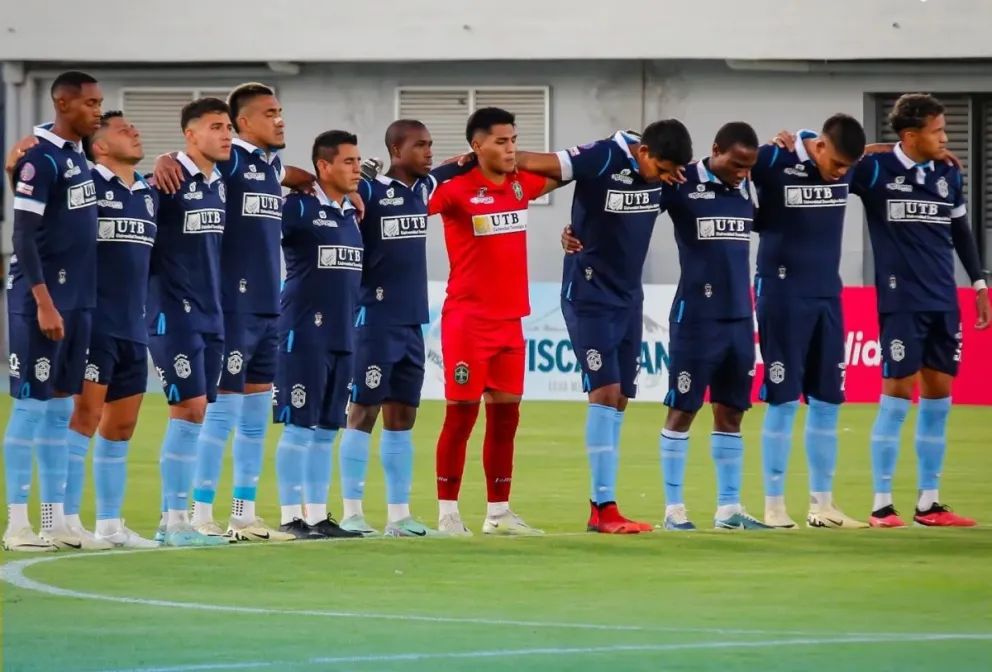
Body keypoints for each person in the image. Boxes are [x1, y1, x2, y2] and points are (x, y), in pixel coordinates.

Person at [510, 122, 692, 533]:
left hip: (629, 297)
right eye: (661, 170)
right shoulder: (601, 155)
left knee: (622, 397)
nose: (665, 180)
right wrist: (481, 155)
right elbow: (533, 162)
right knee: (605, 391)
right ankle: (602, 508)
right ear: (643, 151)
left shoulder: (667, 174)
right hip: (587, 292)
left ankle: (605, 506)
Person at [152, 83, 314, 543]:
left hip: (268, 305)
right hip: (230, 305)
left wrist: (312, 181)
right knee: (219, 416)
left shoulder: (270, 163)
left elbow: (290, 175)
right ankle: (200, 514)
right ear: (244, 124)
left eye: (281, 111)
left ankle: (242, 515)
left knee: (254, 420)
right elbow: (189, 158)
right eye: (270, 113)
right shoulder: (233, 158)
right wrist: (165, 156)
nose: (280, 119)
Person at [848, 94, 988, 527]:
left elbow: (961, 231)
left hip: (944, 300)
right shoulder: (875, 171)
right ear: (910, 136)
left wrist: (979, 282)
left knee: (939, 398)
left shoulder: (947, 172)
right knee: (896, 396)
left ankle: (930, 502)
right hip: (901, 301)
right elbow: (833, 160)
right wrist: (872, 148)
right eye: (938, 131)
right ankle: (881, 504)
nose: (946, 139)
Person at [428, 107, 559, 536]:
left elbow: (567, 173)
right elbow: (412, 205)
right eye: (501, 141)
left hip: (510, 323)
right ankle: (448, 513)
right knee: (461, 417)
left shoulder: (520, 185)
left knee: (506, 421)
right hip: (467, 321)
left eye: (513, 139)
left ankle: (498, 513)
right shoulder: (456, 191)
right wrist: (447, 167)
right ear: (476, 145)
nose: (510, 148)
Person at [337, 120, 462, 537]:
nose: (428, 152)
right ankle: (352, 511)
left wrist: (467, 158)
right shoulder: (369, 191)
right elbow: (333, 189)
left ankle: (398, 515)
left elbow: (455, 166)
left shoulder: (426, 188)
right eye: (420, 146)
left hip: (412, 322)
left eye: (430, 145)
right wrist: (359, 179)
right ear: (395, 149)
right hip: (373, 319)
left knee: (403, 416)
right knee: (363, 413)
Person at [749, 114, 869, 530]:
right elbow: (721, 164)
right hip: (781, 295)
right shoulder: (772, 160)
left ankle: (823, 506)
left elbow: (875, 157)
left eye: (846, 169)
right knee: (782, 400)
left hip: (827, 296)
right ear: (819, 146)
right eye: (836, 164)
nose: (840, 174)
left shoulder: (843, 166)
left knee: (828, 401)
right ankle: (774, 506)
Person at [2, 71, 102, 552]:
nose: (97, 111)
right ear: (63, 103)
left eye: (99, 103)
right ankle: (17, 524)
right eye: (89, 103)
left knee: (60, 409)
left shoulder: (76, 157)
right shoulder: (38, 158)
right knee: (29, 407)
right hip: (40, 302)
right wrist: (43, 301)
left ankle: (53, 520)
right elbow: (22, 235)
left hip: (78, 300)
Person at [62, 112, 161, 548]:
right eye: (124, 130)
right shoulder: (86, 186)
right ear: (99, 145)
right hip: (92, 325)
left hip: (133, 328)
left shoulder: (148, 193)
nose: (135, 133)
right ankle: (64, 522)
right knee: (82, 420)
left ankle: (110, 525)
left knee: (120, 430)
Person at [148, 97, 233, 547]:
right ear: (190, 134)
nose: (226, 134)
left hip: (211, 313)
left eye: (228, 127)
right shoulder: (165, 181)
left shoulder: (219, 182)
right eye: (216, 126)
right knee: (189, 409)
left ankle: (170, 518)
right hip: (172, 312)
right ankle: (177, 520)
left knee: (199, 414)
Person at [272, 130, 365, 540]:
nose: (356, 168)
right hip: (302, 332)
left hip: (344, 334)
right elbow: (251, 209)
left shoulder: (350, 214)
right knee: (298, 427)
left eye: (358, 160)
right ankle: (291, 516)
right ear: (323, 166)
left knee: (327, 429)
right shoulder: (297, 208)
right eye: (347, 161)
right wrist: (290, 177)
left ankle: (317, 515)